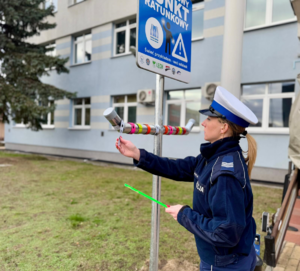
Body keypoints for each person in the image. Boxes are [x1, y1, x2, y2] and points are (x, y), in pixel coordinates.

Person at [115, 86, 258, 271]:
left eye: (209, 118)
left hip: (224, 264)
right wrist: (138, 155)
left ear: (223, 127)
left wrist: (184, 214)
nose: (204, 123)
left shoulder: (224, 173)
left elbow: (226, 233)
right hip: (226, 258)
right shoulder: (214, 156)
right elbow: (177, 168)